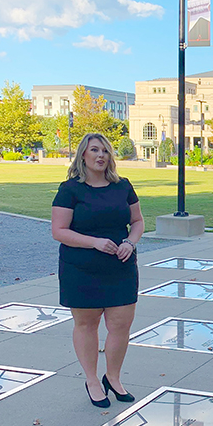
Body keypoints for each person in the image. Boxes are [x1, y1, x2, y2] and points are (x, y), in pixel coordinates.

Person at [51, 133, 144, 408]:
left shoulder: (123, 186)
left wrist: (130, 242)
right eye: (94, 150)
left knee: (120, 326)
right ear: (83, 155)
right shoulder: (70, 190)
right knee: (86, 325)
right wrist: (95, 243)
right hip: (81, 268)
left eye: (105, 151)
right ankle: (92, 380)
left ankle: (113, 378)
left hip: (121, 266)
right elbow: (59, 231)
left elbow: (137, 221)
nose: (100, 155)